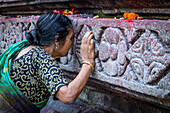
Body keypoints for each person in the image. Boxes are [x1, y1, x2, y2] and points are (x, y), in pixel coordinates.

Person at [0, 12, 95, 113]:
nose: (72, 43)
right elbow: (68, 95)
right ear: (57, 40)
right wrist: (87, 64)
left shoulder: (25, 47)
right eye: (70, 38)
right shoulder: (42, 58)